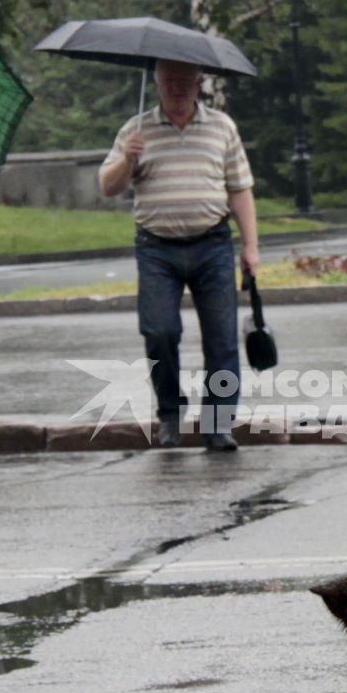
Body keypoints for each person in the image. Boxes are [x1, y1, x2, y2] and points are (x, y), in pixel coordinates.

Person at [100, 58, 261, 450]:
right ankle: (170, 415)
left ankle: (219, 423)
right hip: (157, 249)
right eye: (168, 79)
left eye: (184, 80)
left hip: (212, 244)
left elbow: (240, 188)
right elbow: (108, 186)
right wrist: (127, 159)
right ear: (156, 82)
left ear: (198, 82)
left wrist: (251, 246)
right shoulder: (135, 130)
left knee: (222, 339)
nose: (176, 87)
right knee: (159, 332)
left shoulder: (222, 127)